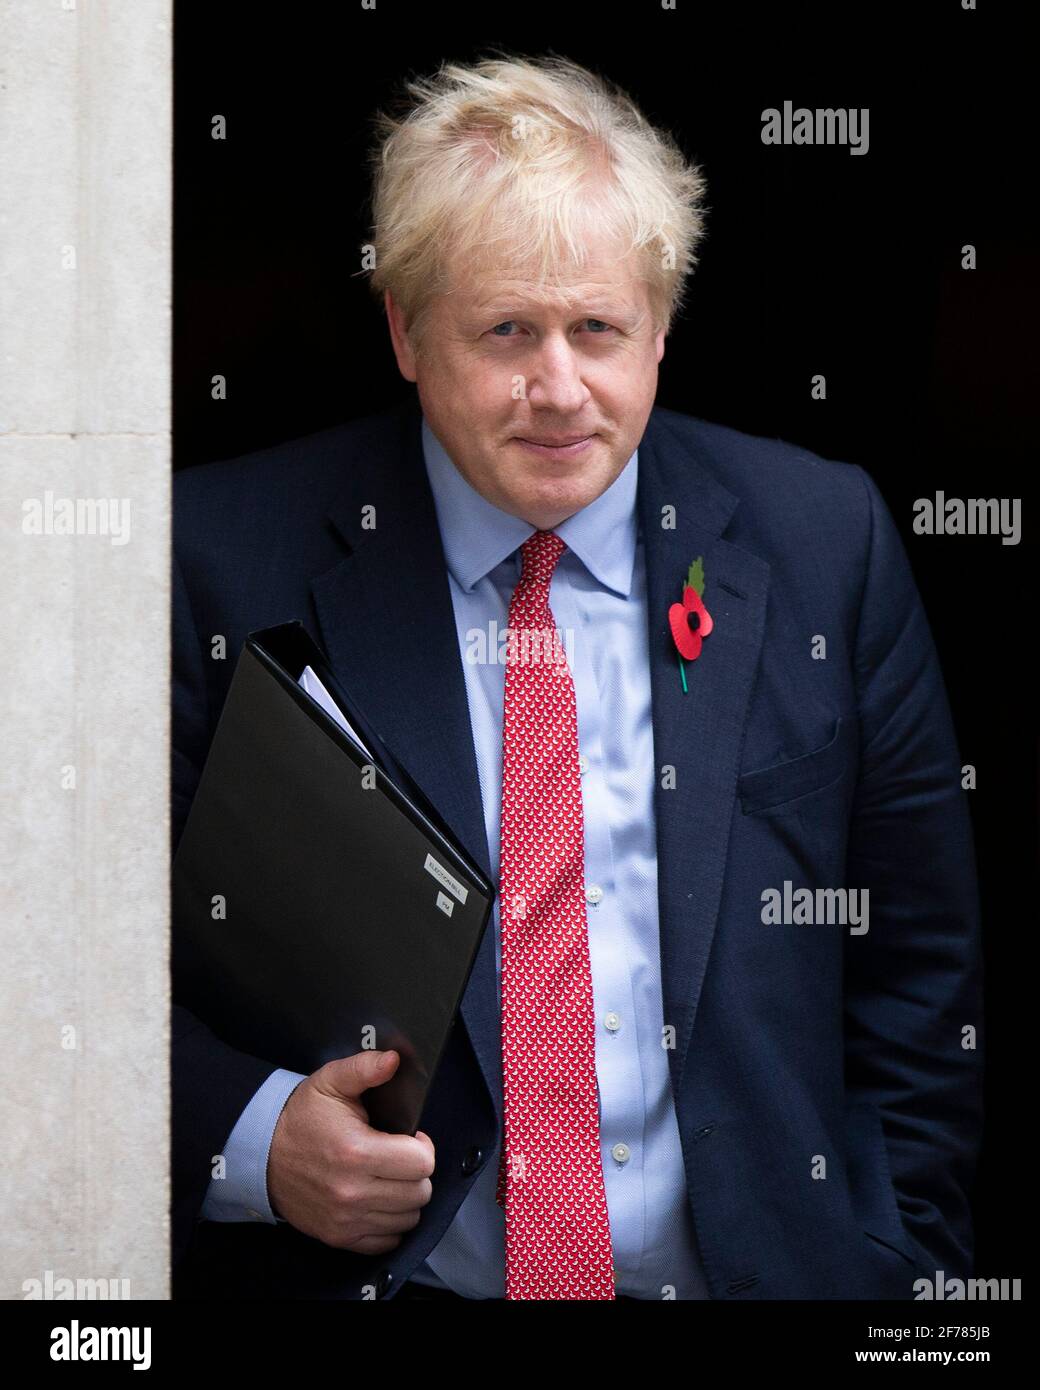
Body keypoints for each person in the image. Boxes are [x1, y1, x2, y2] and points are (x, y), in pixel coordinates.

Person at [171, 53, 982, 1300]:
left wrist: (896, 1267)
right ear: (400, 328)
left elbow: (919, 969)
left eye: (597, 329)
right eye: (505, 331)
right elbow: (76, 967)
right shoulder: (220, 561)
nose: (558, 390)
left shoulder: (822, 541)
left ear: (659, 326)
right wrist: (253, 1136)